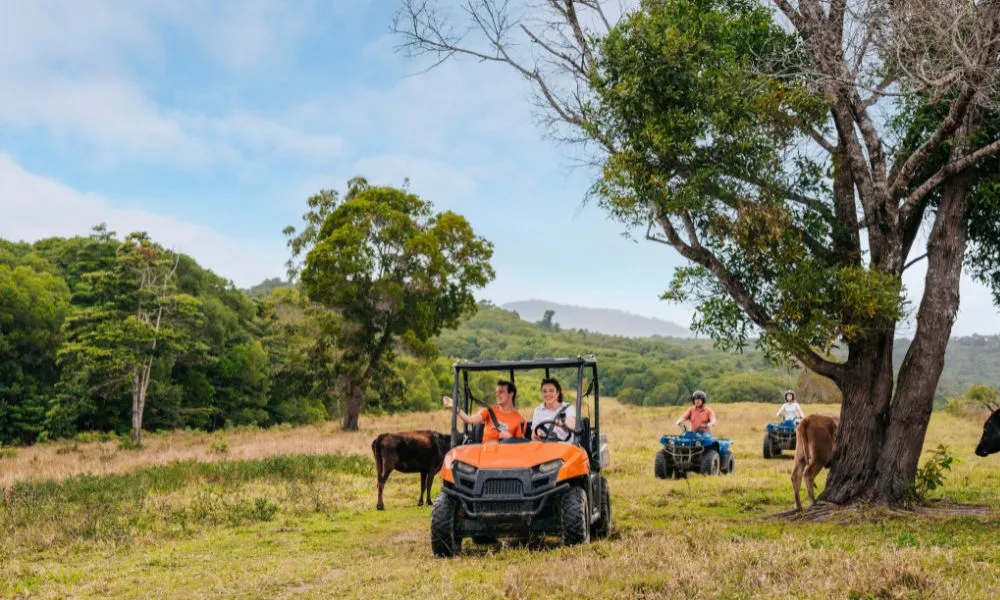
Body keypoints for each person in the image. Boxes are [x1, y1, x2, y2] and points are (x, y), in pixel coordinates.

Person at [442, 380, 525, 442]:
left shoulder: (520, 420)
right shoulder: (489, 411)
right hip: (485, 457)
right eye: (496, 392)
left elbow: (521, 445)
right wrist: (454, 407)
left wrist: (510, 439)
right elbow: (469, 419)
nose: (497, 395)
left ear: (511, 394)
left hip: (507, 458)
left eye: (501, 392)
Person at [531, 378, 577, 442]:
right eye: (544, 391)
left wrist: (561, 423)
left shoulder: (568, 408)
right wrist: (538, 433)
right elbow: (534, 434)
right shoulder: (538, 410)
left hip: (565, 447)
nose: (547, 394)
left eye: (551, 391)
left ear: (557, 393)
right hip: (546, 446)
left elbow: (571, 425)